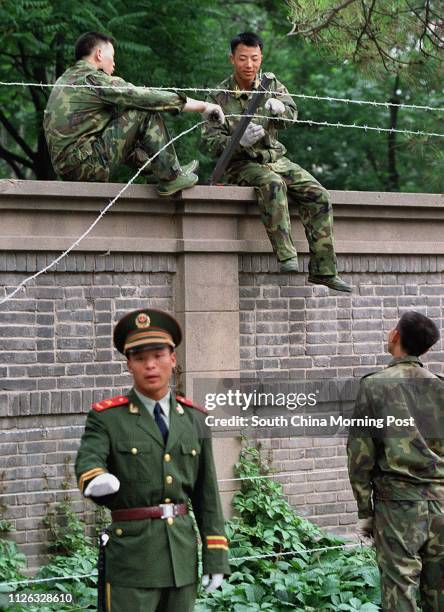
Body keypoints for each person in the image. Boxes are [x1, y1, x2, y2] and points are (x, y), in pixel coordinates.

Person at [75, 308, 229, 612]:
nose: (150, 365)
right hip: (133, 562)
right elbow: (88, 458)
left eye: (158, 355)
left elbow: (207, 495)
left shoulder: (195, 419)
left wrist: (216, 555)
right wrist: (95, 478)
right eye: (140, 358)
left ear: (172, 358)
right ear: (129, 364)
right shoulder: (107, 418)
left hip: (181, 560)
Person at [201, 31, 351, 292]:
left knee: (319, 194)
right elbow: (208, 143)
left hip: (276, 158)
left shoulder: (271, 85)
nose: (249, 65)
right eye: (243, 58)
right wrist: (237, 141)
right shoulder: (218, 97)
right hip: (242, 164)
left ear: (261, 58)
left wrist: (281, 111)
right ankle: (286, 255)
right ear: (232, 58)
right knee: (272, 184)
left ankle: (324, 270)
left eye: (254, 58)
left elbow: (292, 114)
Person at [44, 31, 224, 196]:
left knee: (123, 121)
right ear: (99, 54)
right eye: (112, 57)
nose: (114, 64)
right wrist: (203, 107)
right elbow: (146, 98)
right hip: (85, 167)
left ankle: (157, 172)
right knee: (142, 112)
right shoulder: (94, 80)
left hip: (72, 167)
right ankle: (171, 177)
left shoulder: (66, 79)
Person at [347, 311, 444, 611]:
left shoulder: (375, 386)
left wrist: (365, 510)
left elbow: (360, 455)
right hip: (441, 503)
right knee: (439, 592)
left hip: (398, 507)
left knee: (398, 592)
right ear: (426, 349)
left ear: (395, 336)